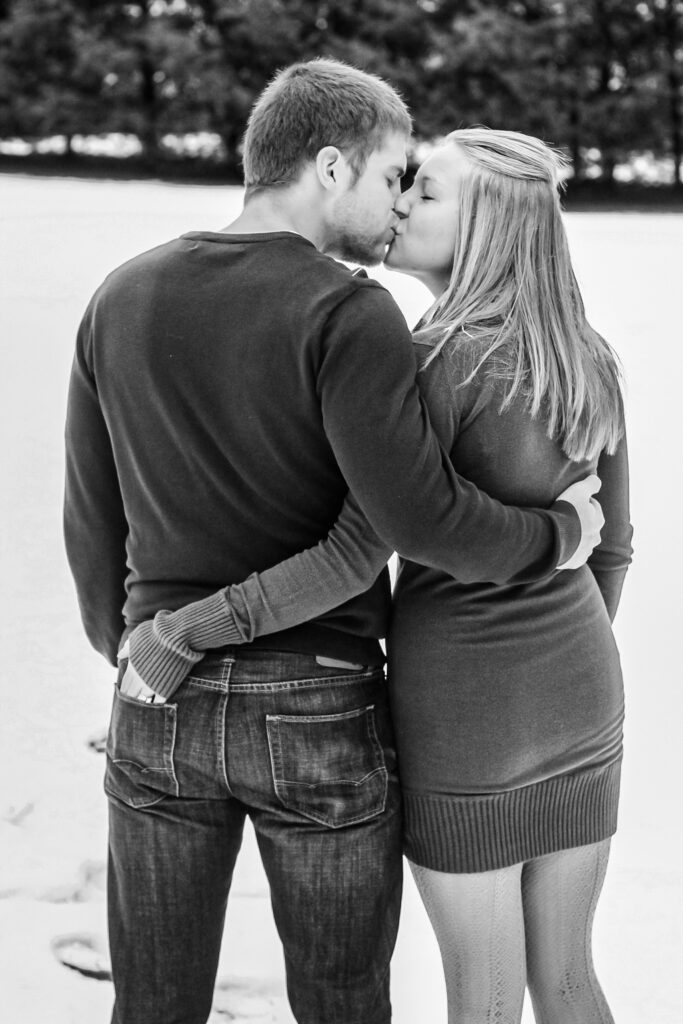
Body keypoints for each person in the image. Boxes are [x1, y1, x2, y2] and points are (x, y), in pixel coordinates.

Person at [64, 58, 602, 1024]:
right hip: (316, 698)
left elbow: (89, 520)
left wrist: (135, 656)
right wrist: (557, 535)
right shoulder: (349, 309)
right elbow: (411, 520)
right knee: (344, 1001)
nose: (398, 203)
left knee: (151, 1003)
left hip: (158, 694)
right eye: (396, 173)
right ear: (327, 166)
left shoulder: (120, 294)